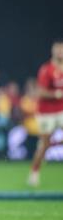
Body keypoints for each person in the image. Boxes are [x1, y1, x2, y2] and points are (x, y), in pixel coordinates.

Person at [28, 39, 63, 187]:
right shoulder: (46, 69)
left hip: (60, 110)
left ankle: (53, 143)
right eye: (58, 49)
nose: (60, 52)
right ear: (53, 51)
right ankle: (34, 173)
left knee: (47, 143)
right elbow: (40, 91)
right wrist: (56, 94)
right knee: (44, 145)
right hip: (46, 112)